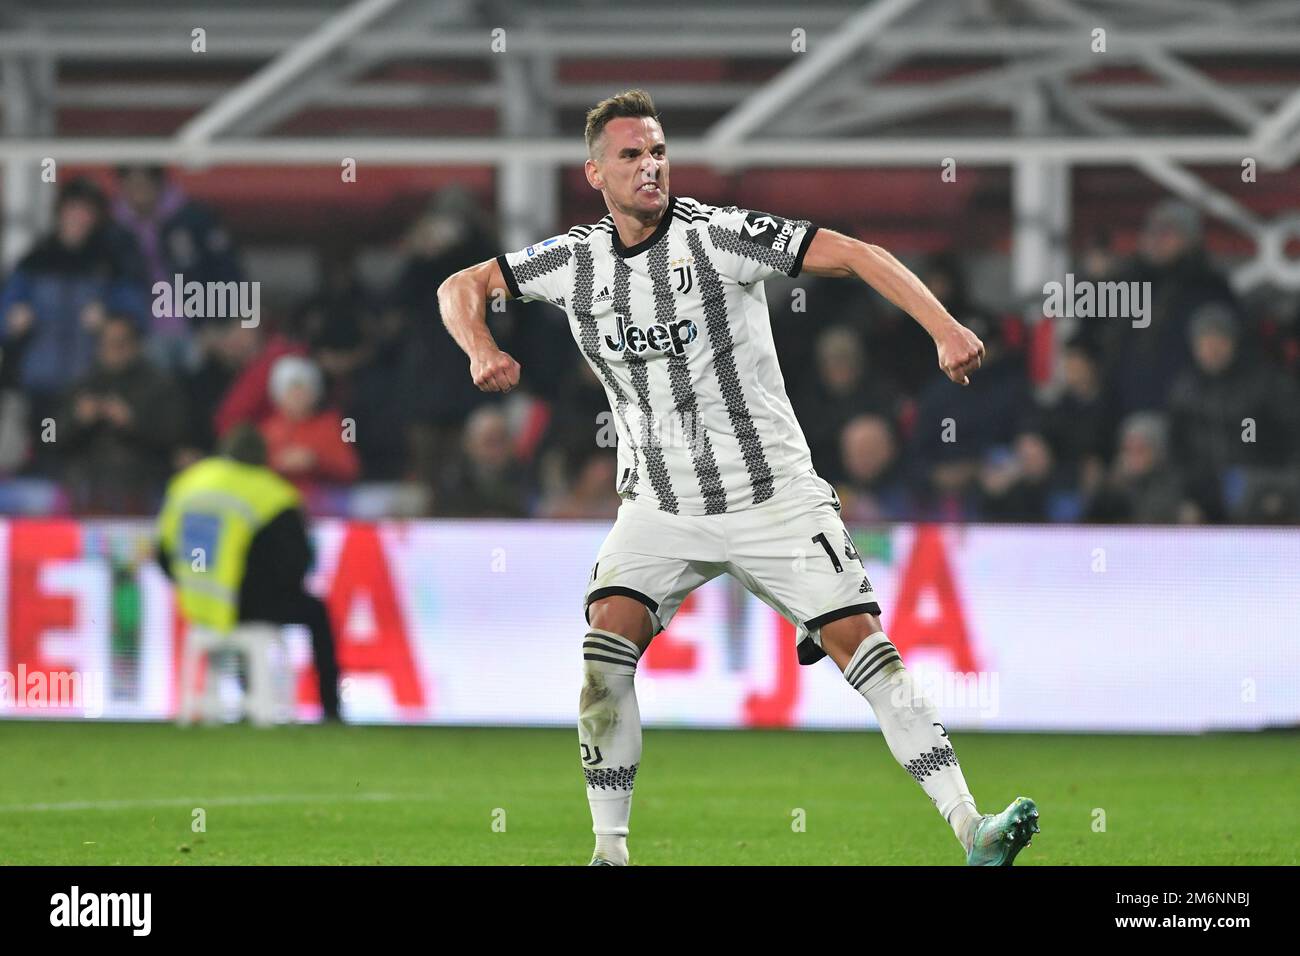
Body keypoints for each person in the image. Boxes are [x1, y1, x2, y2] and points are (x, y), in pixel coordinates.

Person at [437, 89, 1037, 866]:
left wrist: (946, 327)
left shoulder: (720, 237)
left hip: (772, 499)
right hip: (657, 505)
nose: (649, 166)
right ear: (594, 172)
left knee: (864, 647)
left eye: (657, 152)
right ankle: (609, 853)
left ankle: (972, 829)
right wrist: (480, 347)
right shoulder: (571, 262)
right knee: (603, 648)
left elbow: (856, 254)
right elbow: (459, 285)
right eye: (630, 155)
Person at [156, 425, 341, 721]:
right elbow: (296, 562)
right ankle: (331, 708)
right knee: (315, 611)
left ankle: (248, 696)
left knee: (252, 603)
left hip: (199, 606)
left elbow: (164, 554)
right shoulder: (271, 493)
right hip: (250, 603)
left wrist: (200, 584)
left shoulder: (187, 483)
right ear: (263, 458)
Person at [60, 315, 187, 513]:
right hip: (87, 491)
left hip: (141, 490)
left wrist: (132, 424)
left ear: (136, 345)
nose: (114, 350)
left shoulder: (159, 384)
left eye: (120, 343)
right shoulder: (82, 382)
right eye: (107, 343)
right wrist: (77, 420)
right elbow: (47, 435)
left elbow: (174, 436)